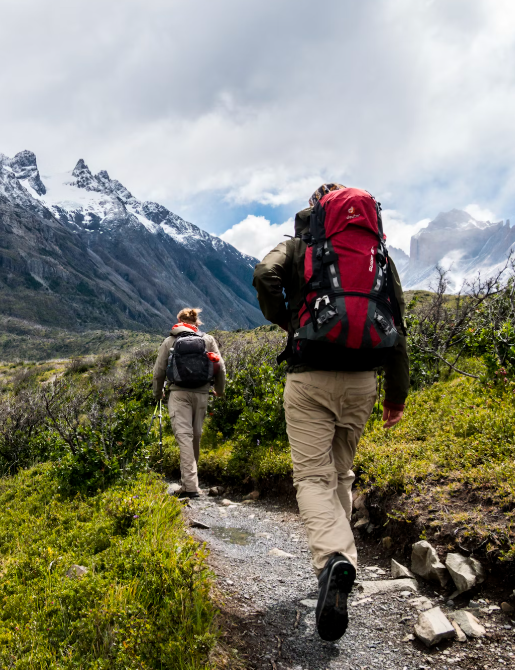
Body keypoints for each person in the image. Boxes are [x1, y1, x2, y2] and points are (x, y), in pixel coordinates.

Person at [252, 183, 409, 641]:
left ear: (317, 210)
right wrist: (396, 396)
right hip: (363, 381)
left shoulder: (301, 245)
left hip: (310, 376)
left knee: (312, 478)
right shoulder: (377, 255)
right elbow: (397, 321)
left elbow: (264, 275)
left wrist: (287, 318)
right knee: (341, 474)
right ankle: (340, 565)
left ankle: (334, 561)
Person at [152, 307, 226, 499]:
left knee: (184, 437)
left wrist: (158, 392)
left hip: (178, 394)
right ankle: (192, 482)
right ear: (196, 323)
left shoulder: (170, 341)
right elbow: (221, 367)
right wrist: (219, 390)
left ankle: (190, 486)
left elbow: (159, 371)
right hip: (202, 393)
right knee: (195, 436)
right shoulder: (207, 340)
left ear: (179, 321)